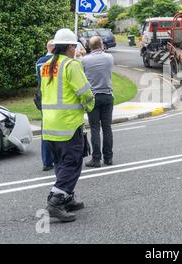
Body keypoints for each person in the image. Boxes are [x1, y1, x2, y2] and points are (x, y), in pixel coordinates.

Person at [41, 28, 95, 223]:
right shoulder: (71, 65)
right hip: (69, 124)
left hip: (49, 124)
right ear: (71, 47)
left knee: (60, 164)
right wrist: (90, 106)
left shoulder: (46, 65)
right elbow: (85, 91)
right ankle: (55, 203)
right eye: (75, 46)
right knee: (72, 164)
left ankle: (67, 198)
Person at [82, 36, 115, 168]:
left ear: (89, 47)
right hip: (107, 95)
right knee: (107, 128)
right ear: (101, 45)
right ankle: (108, 158)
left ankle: (96, 159)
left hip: (93, 97)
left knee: (95, 128)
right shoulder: (109, 58)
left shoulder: (84, 60)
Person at [36, 40, 56, 172]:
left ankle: (47, 161)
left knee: (46, 131)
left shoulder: (39, 62)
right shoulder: (58, 62)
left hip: (43, 98)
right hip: (56, 98)